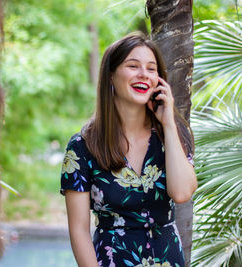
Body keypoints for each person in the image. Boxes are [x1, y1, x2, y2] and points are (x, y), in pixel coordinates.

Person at [60, 32, 197, 267]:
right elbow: (79, 230)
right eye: (133, 66)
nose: (143, 74)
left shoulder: (173, 134)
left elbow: (182, 193)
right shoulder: (82, 146)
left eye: (151, 69)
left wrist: (168, 125)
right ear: (111, 76)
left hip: (167, 260)